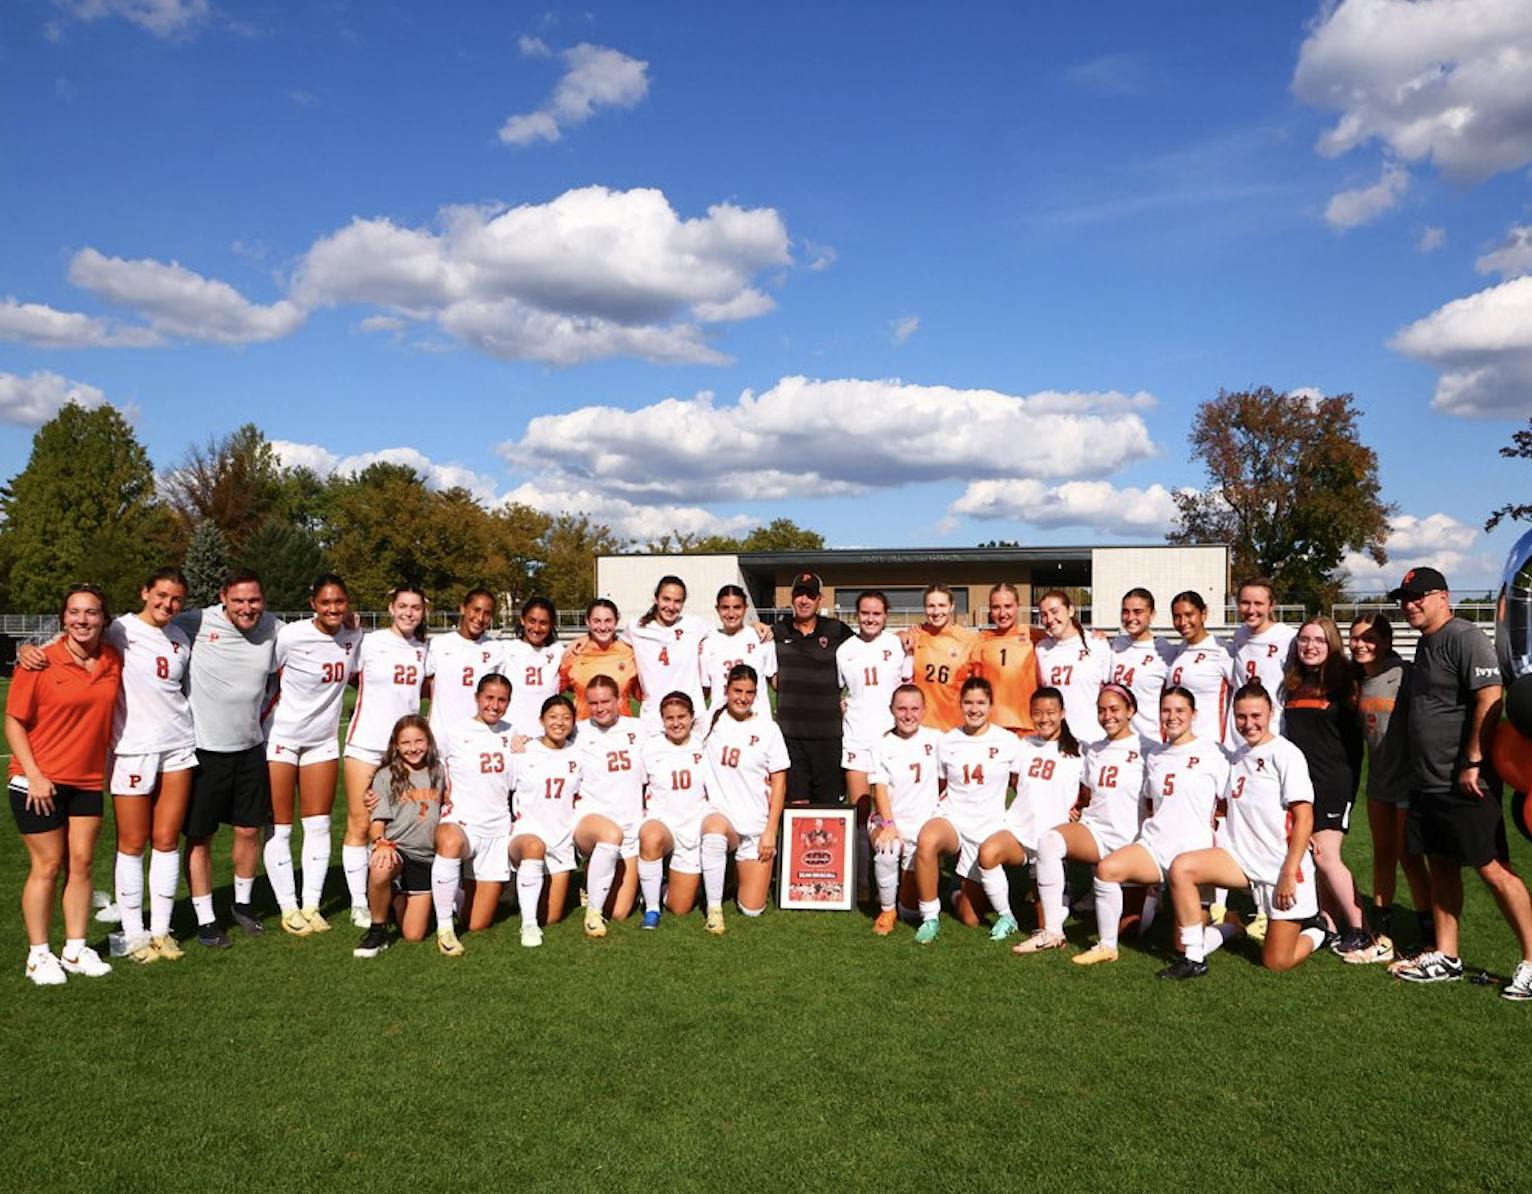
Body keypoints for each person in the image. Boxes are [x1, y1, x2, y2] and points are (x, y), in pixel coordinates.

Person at [1388, 566, 1532, 998]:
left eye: (1418, 596)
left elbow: (1490, 698)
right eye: (1404, 598)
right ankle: (1446, 956)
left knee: (1493, 870)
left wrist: (1472, 760)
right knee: (1441, 863)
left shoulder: (1464, 636)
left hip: (1466, 780)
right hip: (1428, 780)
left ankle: (1531, 959)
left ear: (1443, 597)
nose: (1409, 604)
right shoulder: (1427, 643)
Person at [1161, 680, 1327, 977]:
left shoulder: (1286, 754)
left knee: (1277, 962)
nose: (1248, 724)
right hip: (1240, 860)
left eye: (1256, 716)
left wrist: (1289, 872)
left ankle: (1319, 930)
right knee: (1182, 868)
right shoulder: (1234, 758)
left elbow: (1304, 817)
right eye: (1241, 717)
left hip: (1280, 867)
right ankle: (1194, 958)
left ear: (1270, 713)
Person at [6, 584, 122, 985]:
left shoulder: (112, 659)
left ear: (104, 619)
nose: (82, 620)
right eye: (74, 612)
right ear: (63, 618)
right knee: (48, 865)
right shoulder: (38, 662)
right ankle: (38, 955)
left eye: (91, 613)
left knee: (82, 864)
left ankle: (74, 949)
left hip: (88, 781)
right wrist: (35, 776)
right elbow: (14, 721)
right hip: (37, 781)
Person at [174, 569, 280, 946]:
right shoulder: (196, 621)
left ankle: (243, 905)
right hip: (204, 751)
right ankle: (205, 919)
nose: (247, 608)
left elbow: (314, 638)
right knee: (200, 837)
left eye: (253, 601)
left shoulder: (274, 627)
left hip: (251, 748)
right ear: (223, 598)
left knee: (250, 830)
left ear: (263, 601)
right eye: (238, 601)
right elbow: (140, 628)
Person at [1092, 687, 1231, 977]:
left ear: (1193, 714)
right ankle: (1107, 946)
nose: (1172, 717)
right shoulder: (1154, 755)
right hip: (1154, 846)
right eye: (1166, 710)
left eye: (1180, 710)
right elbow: (1149, 804)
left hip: (1194, 856)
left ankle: (1230, 928)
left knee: (1185, 947)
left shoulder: (1214, 754)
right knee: (1107, 868)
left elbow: (1231, 804)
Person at [105, 568, 197, 962]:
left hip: (178, 745)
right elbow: (74, 639)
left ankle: (161, 930)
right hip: (133, 748)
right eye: (161, 595)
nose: (167, 604)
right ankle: (133, 933)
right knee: (131, 842)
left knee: (166, 839)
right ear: (144, 592)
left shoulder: (180, 637)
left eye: (176, 599)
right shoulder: (119, 630)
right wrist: (29, 652)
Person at [264, 574, 364, 936]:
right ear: (313, 605)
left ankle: (311, 904)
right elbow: (263, 677)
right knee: (280, 826)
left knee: (318, 825)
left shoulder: (354, 637)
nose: (333, 609)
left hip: (322, 740)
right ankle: (288, 907)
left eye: (339, 602)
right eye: (326, 603)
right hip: (281, 737)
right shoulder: (290, 636)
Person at [1024, 684, 1147, 966]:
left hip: (1130, 843)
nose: (1107, 716)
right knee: (1050, 840)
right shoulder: (1093, 750)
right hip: (1096, 832)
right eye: (1101, 710)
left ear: (1131, 711)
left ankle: (1152, 901)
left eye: (1114, 709)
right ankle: (1052, 931)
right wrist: (1078, 807)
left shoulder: (1148, 749)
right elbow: (1088, 792)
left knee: (1131, 930)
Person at [1283, 616, 1383, 960]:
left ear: (1332, 645)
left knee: (1326, 856)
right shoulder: (1294, 682)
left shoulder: (1344, 682)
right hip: (1301, 783)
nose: (1310, 646)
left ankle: (1363, 929)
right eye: (1304, 639)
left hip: (1334, 782)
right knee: (1313, 855)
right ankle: (1330, 924)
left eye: (1319, 641)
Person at [340, 584, 429, 928]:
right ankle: (359, 902)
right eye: (403, 606)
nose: (409, 613)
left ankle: (392, 889)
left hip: (405, 753)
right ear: (391, 607)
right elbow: (346, 676)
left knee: (401, 826)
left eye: (416, 608)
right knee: (360, 824)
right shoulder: (369, 641)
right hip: (366, 743)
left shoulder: (424, 649)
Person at [912, 677, 1023, 943]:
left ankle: (955, 889)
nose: (974, 709)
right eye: (969, 703)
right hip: (954, 818)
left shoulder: (1008, 741)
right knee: (927, 840)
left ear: (991, 705)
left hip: (989, 825)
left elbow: (1021, 787)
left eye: (981, 703)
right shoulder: (947, 741)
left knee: (971, 919)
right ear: (960, 704)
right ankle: (929, 918)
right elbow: (938, 785)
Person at [972, 687, 1085, 947]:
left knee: (1046, 926)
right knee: (988, 853)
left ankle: (1062, 900)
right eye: (1037, 713)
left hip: (1053, 838)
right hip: (1020, 830)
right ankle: (1007, 916)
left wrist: (1078, 808)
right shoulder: (1024, 745)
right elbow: (1013, 781)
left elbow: (1088, 793)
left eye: (1050, 713)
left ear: (1063, 714)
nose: (1044, 719)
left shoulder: (1079, 753)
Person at [1350, 612, 1434, 950]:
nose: (1361, 644)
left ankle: (1429, 934)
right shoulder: (1356, 681)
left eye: (1370, 638)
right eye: (1356, 637)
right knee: (1383, 854)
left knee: (1409, 857)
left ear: (1386, 642)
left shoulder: (1404, 675)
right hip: (1379, 783)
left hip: (1407, 783)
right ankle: (1380, 933)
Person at [431, 673, 518, 955]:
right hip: (462, 823)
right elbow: (426, 766)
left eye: (501, 699)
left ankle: (449, 894)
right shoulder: (454, 733)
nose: (494, 705)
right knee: (449, 841)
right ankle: (445, 928)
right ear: (477, 698)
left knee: (478, 923)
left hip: (496, 830)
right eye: (489, 698)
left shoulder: (513, 734)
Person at [700, 664, 789, 933]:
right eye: (737, 690)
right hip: (721, 818)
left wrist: (770, 831)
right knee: (714, 836)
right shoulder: (709, 721)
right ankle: (714, 910)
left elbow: (780, 781)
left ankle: (731, 875)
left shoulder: (768, 728)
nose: (742, 697)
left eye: (749, 692)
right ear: (726, 690)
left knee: (752, 909)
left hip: (754, 825)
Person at [353, 715, 444, 959]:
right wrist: (381, 843)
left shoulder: (439, 772)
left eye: (419, 741)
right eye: (405, 743)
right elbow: (377, 822)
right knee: (381, 866)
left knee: (413, 935)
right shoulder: (385, 775)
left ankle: (393, 895)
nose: (413, 748)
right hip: (398, 849)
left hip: (425, 857)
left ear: (429, 741)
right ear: (395, 745)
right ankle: (378, 929)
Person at [571, 674, 648, 935]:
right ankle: (593, 914)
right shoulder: (577, 731)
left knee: (619, 912)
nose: (600, 708)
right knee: (609, 834)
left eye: (606, 701)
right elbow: (546, 741)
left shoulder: (639, 729)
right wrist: (522, 741)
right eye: (593, 703)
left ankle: (592, 879)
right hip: (591, 822)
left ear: (619, 700)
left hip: (630, 826)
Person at [768, 572, 855, 804]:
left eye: (810, 595)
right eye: (799, 595)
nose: (804, 600)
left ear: (820, 599)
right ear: (792, 598)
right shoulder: (776, 631)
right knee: (796, 809)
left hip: (828, 736)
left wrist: (906, 634)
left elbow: (868, 648)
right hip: (790, 736)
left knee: (827, 809)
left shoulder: (837, 630)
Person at [866, 684, 943, 934]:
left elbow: (947, 778)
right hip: (890, 820)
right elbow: (879, 789)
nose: (908, 715)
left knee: (911, 910)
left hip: (923, 825)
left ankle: (901, 904)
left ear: (923, 711)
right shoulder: (881, 744)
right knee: (888, 848)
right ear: (891, 710)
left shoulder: (936, 739)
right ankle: (886, 909)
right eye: (901, 709)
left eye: (914, 709)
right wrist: (889, 825)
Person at [507, 694, 582, 948]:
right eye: (553, 717)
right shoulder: (523, 751)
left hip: (561, 841)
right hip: (527, 835)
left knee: (551, 917)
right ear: (541, 720)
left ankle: (515, 893)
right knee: (533, 848)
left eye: (566, 718)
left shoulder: (578, 753)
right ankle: (528, 926)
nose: (559, 723)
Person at [637, 692, 711, 927]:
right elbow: (637, 784)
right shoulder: (650, 747)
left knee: (680, 908)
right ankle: (651, 908)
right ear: (662, 719)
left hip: (692, 825)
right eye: (670, 718)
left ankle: (661, 885)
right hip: (662, 821)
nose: (676, 723)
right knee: (651, 836)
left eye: (682, 717)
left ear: (692, 718)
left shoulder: (704, 745)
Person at [836, 590, 913, 815]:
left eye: (877, 613)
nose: (870, 619)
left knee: (889, 809)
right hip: (856, 737)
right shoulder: (844, 650)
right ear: (857, 615)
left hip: (890, 737)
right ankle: (861, 851)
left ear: (885, 616)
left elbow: (909, 683)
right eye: (865, 613)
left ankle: (889, 850)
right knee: (860, 809)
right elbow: (836, 690)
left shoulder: (897, 644)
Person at [624, 576, 710, 733]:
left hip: (691, 718)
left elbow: (729, 633)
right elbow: (612, 643)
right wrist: (583, 639)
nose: (671, 606)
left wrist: (756, 625)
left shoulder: (695, 625)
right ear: (656, 599)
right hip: (654, 719)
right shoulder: (636, 628)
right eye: (666, 599)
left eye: (678, 601)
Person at [426, 588, 507, 737]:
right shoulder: (439, 644)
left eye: (487, 613)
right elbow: (426, 688)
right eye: (476, 610)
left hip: (479, 736)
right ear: (463, 608)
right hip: (442, 736)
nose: (480, 618)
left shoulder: (496, 649)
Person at [1225, 579, 1297, 743]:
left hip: (1274, 730)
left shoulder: (1288, 638)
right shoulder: (1239, 635)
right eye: (1245, 603)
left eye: (1258, 603)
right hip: (1238, 734)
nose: (1251, 610)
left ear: (1271, 606)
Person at [1034, 589, 1108, 745]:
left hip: (1092, 738)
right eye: (1044, 614)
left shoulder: (1097, 644)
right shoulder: (1041, 649)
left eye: (1055, 612)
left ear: (1071, 610)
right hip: (1056, 741)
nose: (1049, 619)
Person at [972, 583, 1042, 736]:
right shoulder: (980, 640)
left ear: (1018, 606)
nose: (1002, 613)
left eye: (1008, 606)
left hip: (1027, 728)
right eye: (996, 607)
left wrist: (1094, 635)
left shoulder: (1035, 636)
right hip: (991, 728)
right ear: (990, 609)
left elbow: (1066, 635)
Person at [1165, 591, 1233, 745]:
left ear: (1203, 614)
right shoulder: (1178, 651)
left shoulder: (1221, 651)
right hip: (1178, 743)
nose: (1183, 622)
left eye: (1189, 615)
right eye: (1177, 616)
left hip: (1209, 745)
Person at [1107, 588, 1175, 740]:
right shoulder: (1115, 646)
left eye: (1137, 612)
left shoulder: (1165, 650)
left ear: (1152, 615)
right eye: (1125, 611)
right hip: (1119, 739)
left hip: (1150, 739)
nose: (1130, 617)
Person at [909, 584, 978, 731]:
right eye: (931, 606)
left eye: (942, 605)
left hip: (955, 727)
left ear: (952, 606)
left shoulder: (969, 639)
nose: (936, 611)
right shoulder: (916, 635)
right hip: (921, 728)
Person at [700, 584, 776, 718]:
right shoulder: (707, 643)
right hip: (721, 722)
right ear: (717, 609)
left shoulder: (761, 638)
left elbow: (774, 680)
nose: (731, 614)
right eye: (725, 608)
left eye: (737, 607)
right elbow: (704, 691)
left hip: (757, 720)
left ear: (745, 608)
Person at [560, 598, 640, 719]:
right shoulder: (574, 653)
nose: (602, 627)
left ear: (616, 621)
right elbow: (553, 690)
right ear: (587, 622)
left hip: (620, 733)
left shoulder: (629, 654)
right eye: (596, 621)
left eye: (608, 621)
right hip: (584, 732)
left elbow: (643, 695)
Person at [502, 596, 567, 738]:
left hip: (548, 738)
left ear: (551, 625)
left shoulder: (558, 651)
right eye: (532, 621)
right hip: (513, 738)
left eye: (543, 623)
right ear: (522, 620)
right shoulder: (505, 649)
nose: (536, 628)